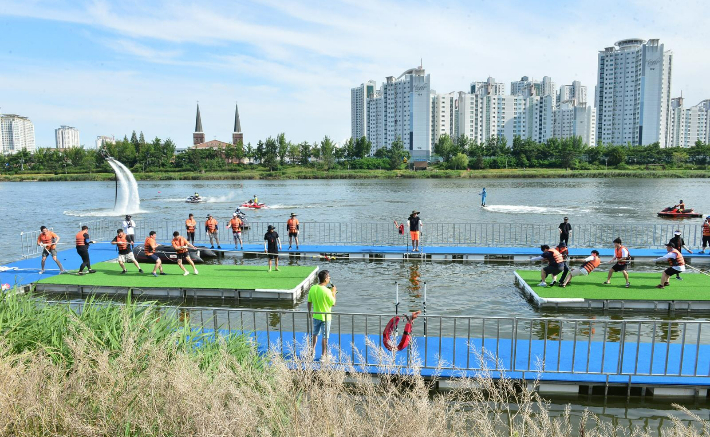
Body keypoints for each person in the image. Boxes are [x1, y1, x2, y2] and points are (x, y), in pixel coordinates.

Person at [307, 269, 337, 359]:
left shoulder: (313, 288)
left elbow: (309, 302)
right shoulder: (327, 291)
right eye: (329, 277)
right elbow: (333, 303)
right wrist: (334, 292)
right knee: (325, 336)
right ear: (325, 279)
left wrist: (309, 313)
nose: (329, 278)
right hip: (326, 317)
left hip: (316, 315)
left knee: (315, 334)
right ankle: (324, 355)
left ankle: (312, 353)